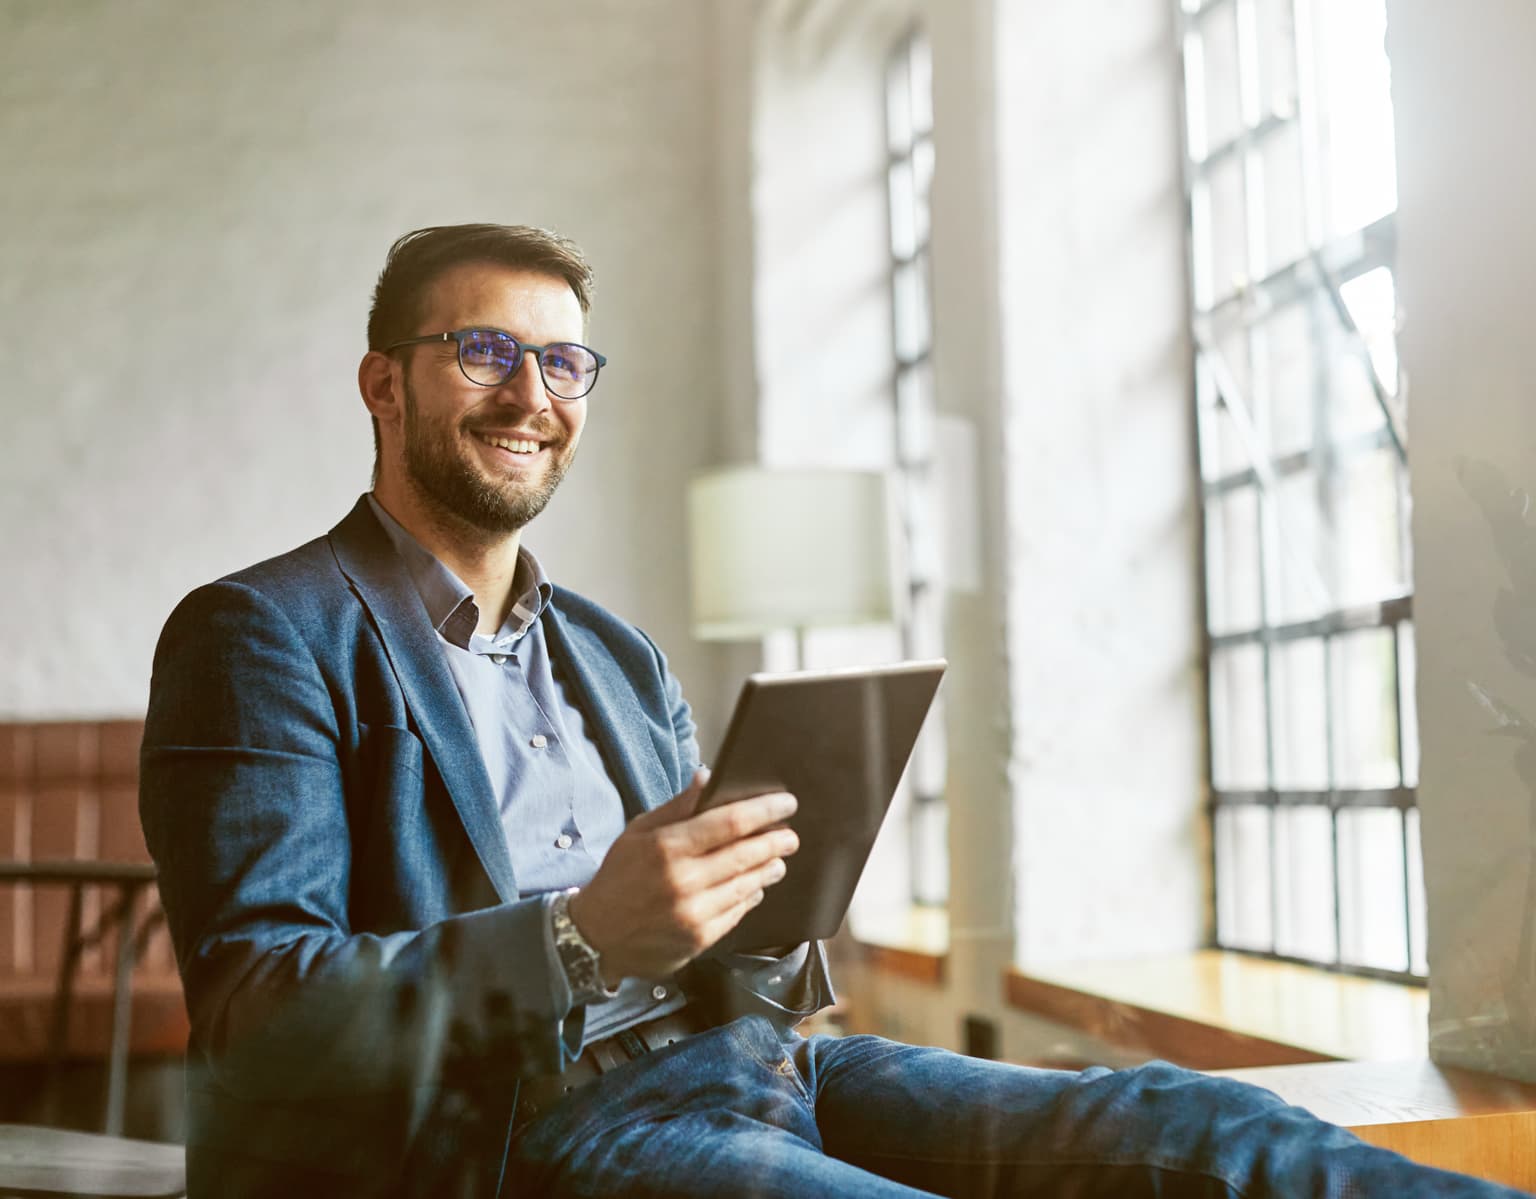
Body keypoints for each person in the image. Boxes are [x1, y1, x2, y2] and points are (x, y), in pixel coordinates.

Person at [139, 224, 1526, 1198]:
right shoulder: (263, 631)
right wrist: (574, 941)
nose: (534, 395)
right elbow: (261, 1016)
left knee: (1205, 1126)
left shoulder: (614, 654)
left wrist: (776, 940)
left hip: (752, 1062)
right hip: (517, 1128)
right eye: (485, 350)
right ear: (385, 380)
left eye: (567, 363)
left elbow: (720, 938)